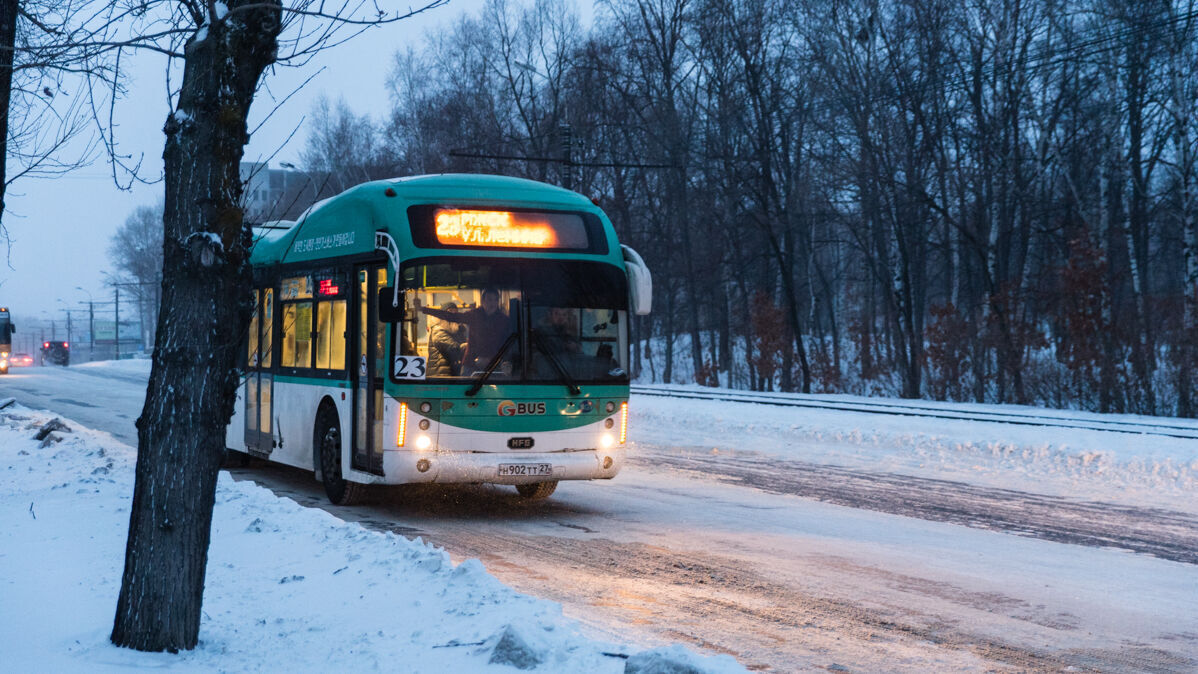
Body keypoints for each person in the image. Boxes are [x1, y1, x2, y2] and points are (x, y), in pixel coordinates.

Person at [421, 287, 510, 373]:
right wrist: (424, 309)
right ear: (483, 301)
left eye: (496, 300)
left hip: (494, 363)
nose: (493, 303)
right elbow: (452, 316)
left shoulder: (503, 320)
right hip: (471, 362)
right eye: (490, 299)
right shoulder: (475, 315)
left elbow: (506, 342)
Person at [426, 302, 465, 377]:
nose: (453, 314)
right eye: (450, 311)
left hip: (450, 373)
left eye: (455, 311)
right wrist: (467, 347)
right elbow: (452, 346)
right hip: (439, 374)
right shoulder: (438, 328)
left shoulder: (457, 330)